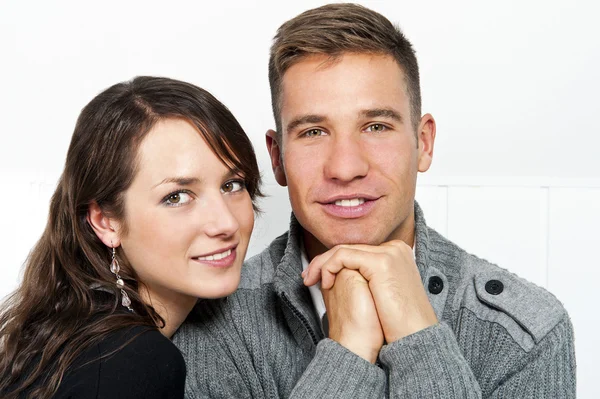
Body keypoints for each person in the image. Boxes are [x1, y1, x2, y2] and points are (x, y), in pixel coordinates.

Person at [174, 3, 576, 398]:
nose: (345, 168)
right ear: (278, 158)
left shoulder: (528, 332)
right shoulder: (214, 324)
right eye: (314, 132)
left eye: (376, 126)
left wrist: (420, 339)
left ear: (423, 143)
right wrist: (348, 354)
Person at [0, 76, 261, 399]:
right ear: (106, 221)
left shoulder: (68, 332)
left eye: (232, 184)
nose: (225, 222)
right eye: (177, 196)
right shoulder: (134, 361)